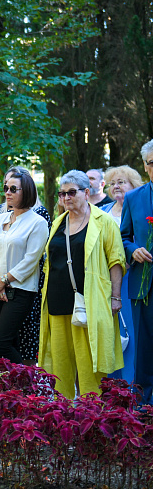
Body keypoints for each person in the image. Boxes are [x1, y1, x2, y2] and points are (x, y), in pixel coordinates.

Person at [40, 170, 124, 398]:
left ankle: (91, 417)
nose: (66, 198)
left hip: (89, 302)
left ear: (86, 192)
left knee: (89, 366)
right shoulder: (58, 222)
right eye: (62, 193)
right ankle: (62, 418)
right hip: (57, 302)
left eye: (71, 192)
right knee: (61, 367)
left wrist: (115, 297)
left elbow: (116, 261)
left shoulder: (103, 221)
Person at [0, 167, 52, 365]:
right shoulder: (2, 217)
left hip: (20, 290)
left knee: (1, 343)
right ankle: (13, 392)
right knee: (11, 341)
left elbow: (32, 259)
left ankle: (27, 384)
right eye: (6, 188)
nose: (8, 193)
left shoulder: (37, 222)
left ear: (26, 191)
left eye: (13, 189)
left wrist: (3, 281)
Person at [100, 165, 143, 384]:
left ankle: (132, 384)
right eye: (112, 183)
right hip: (105, 280)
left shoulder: (139, 208)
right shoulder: (104, 211)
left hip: (130, 278)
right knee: (110, 332)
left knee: (132, 332)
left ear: (133, 185)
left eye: (121, 182)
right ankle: (112, 387)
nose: (116, 186)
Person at [121, 140, 153, 404]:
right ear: (145, 166)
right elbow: (124, 237)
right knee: (143, 349)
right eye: (151, 163)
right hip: (144, 285)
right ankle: (143, 408)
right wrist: (133, 250)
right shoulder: (134, 198)